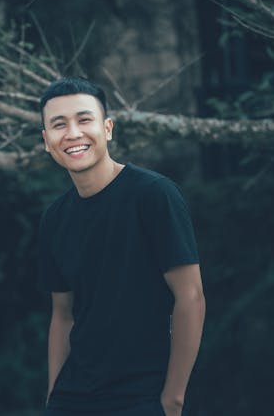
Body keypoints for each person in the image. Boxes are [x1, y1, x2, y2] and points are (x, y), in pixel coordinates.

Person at [37, 77, 206, 416]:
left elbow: (190, 297)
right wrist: (54, 395)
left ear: (108, 128)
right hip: (73, 399)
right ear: (46, 141)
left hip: (141, 397)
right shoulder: (55, 218)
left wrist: (173, 399)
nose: (72, 133)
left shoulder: (154, 195)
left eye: (84, 120)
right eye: (59, 124)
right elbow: (63, 313)